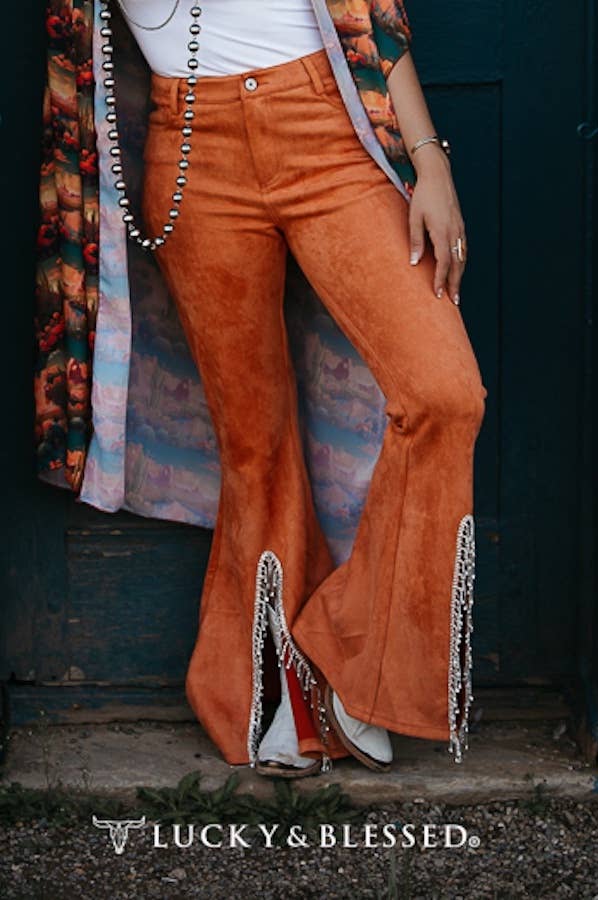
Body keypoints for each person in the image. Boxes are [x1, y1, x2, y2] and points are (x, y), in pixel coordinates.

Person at [39, 0, 488, 778]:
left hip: (327, 128)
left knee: (445, 393)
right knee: (257, 445)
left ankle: (351, 656)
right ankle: (287, 691)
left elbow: (375, 16)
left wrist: (430, 159)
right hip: (191, 153)